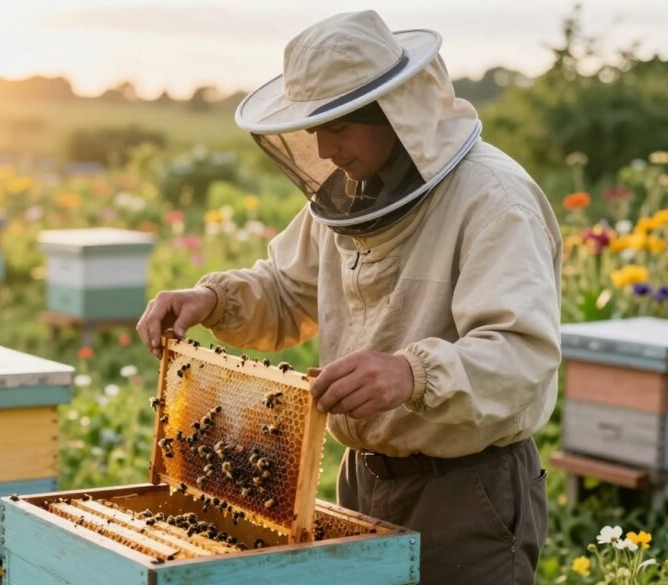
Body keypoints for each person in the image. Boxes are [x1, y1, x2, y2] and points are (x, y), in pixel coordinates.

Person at [136, 10, 560, 584]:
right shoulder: (354, 197)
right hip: (362, 479)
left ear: (394, 112)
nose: (323, 147)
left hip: (467, 489)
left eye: (337, 125)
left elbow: (522, 355)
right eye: (314, 126)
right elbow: (287, 292)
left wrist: (412, 374)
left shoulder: (495, 200)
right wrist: (211, 300)